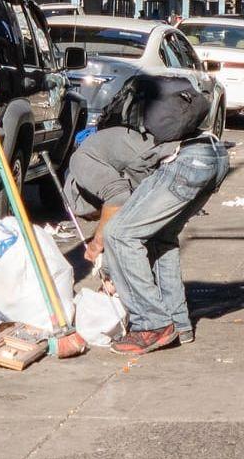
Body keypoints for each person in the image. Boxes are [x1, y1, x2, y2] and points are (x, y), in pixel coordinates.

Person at [83, 82, 229, 355]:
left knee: (120, 234)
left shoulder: (83, 161)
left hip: (188, 162)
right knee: (162, 237)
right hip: (214, 153)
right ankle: (177, 324)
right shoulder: (126, 136)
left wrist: (101, 247)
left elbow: (117, 198)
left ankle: (152, 324)